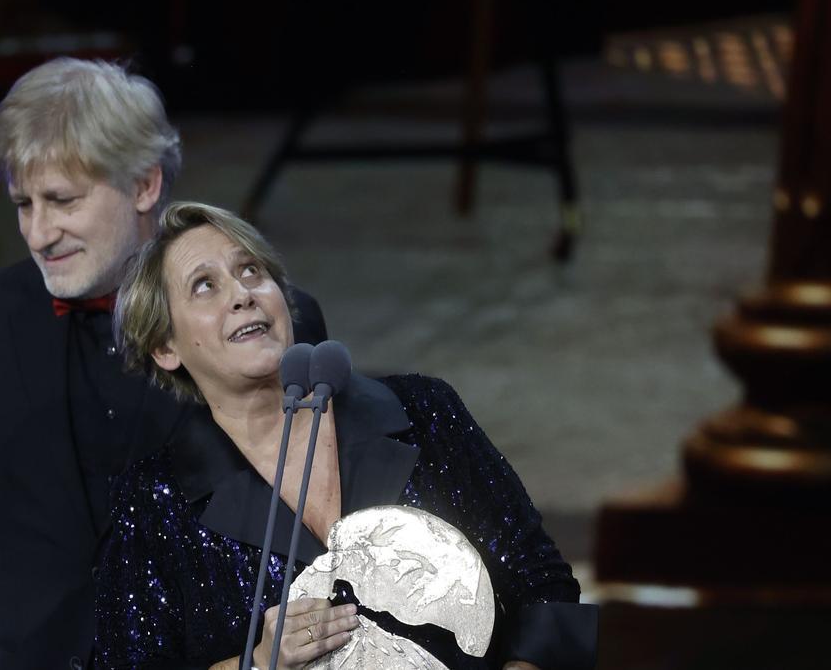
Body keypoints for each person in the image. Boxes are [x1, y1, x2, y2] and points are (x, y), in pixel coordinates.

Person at [0, 59, 328, 668]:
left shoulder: (271, 321)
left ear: (144, 185)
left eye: (62, 201)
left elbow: (308, 517)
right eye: (23, 203)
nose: (39, 234)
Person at [96, 201, 597, 670]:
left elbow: (543, 585)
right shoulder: (153, 500)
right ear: (165, 347)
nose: (242, 294)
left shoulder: (424, 411)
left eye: (251, 270)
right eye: (204, 285)